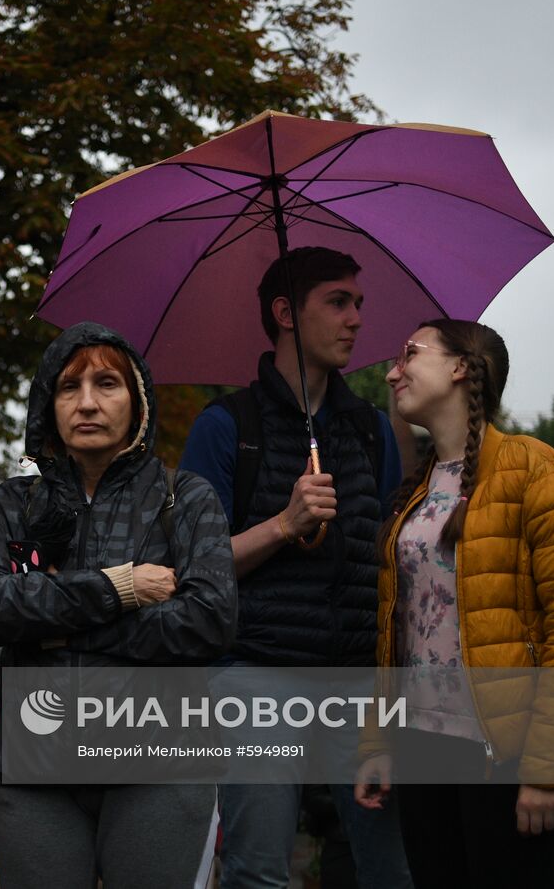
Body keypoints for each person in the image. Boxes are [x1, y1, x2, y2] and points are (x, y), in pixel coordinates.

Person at [0, 322, 236, 889]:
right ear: (47, 403)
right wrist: (121, 589)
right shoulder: (15, 502)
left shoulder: (184, 498)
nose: (87, 402)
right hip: (33, 768)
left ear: (137, 402)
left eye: (107, 383)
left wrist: (55, 626)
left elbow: (209, 622)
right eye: (68, 387)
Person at [352, 320, 554, 887]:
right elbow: (395, 633)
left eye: (409, 354)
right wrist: (380, 740)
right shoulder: (414, 492)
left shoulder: (535, 470)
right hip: (422, 749)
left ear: (460, 368)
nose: (392, 371)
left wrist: (550, 770)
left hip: (504, 752)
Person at [178, 246, 412, 889]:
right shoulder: (226, 427)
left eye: (359, 304)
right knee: (259, 872)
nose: (356, 319)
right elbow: (193, 570)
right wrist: (284, 525)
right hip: (257, 675)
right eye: (338, 301)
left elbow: (392, 563)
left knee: (391, 871)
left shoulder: (371, 430)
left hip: (360, 684)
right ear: (285, 312)